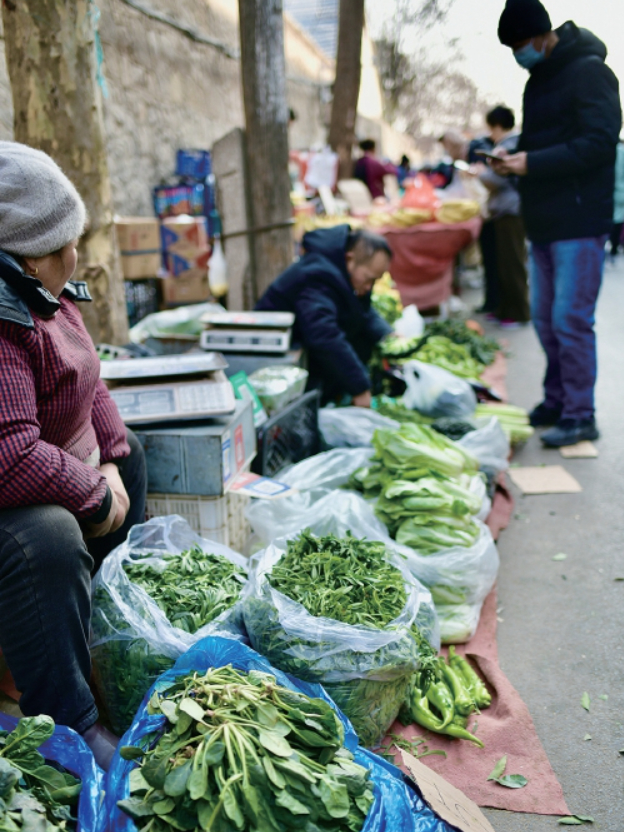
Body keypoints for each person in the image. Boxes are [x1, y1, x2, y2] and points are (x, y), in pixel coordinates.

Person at [0, 142, 147, 769]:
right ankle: (70, 722)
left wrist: (110, 459)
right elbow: (9, 457)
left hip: (30, 459)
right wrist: (93, 492)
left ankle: (103, 636)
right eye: (65, 242)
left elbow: (91, 381)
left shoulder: (40, 292)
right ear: (28, 254)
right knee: (50, 536)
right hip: (7, 482)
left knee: (134, 455)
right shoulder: (3, 317)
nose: (75, 254)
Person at [495, 0, 621, 447]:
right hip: (543, 221)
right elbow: (541, 140)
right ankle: (558, 400)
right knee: (547, 322)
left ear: (541, 36)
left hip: (579, 220)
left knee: (570, 320)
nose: (518, 54)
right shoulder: (538, 80)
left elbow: (600, 142)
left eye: (520, 44)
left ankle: (581, 414)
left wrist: (532, 162)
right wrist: (512, 157)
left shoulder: (590, 71)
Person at [256, 226, 392, 406]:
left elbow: (363, 311)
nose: (369, 287)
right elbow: (324, 335)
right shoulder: (318, 275)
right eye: (369, 279)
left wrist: (387, 335)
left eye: (375, 281)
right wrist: (359, 387)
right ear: (349, 259)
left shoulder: (342, 272)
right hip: (275, 361)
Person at [478, 105, 530, 327]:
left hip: (511, 211)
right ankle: (505, 310)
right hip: (506, 211)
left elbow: (498, 179)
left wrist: (481, 174)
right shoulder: (509, 144)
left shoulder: (509, 146)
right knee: (505, 264)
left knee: (512, 264)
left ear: (497, 125)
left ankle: (519, 312)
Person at [610, 139, 624, 261]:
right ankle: (614, 247)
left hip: (613, 189)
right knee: (618, 219)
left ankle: (614, 246)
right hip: (620, 190)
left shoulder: (613, 150)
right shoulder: (621, 151)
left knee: (616, 218)